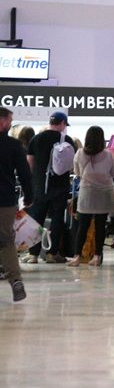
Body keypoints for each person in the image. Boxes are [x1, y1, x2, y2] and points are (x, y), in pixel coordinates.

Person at [25, 111, 74, 263]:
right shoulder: (67, 140)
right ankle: (53, 254)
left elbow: (30, 162)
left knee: (36, 219)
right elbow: (71, 166)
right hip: (60, 187)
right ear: (63, 123)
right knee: (57, 219)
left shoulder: (36, 139)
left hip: (40, 186)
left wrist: (36, 178)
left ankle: (33, 254)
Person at [68, 126, 114, 267]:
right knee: (100, 226)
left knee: (82, 226)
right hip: (104, 192)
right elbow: (113, 173)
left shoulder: (80, 153)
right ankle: (97, 256)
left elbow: (77, 172)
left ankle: (77, 256)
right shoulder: (108, 155)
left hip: (86, 191)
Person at [0, 107, 33, 302]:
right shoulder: (13, 145)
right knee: (6, 242)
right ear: (2, 121)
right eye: (10, 120)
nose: (11, 124)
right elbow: (24, 175)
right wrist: (29, 197)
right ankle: (16, 282)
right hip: (5, 201)